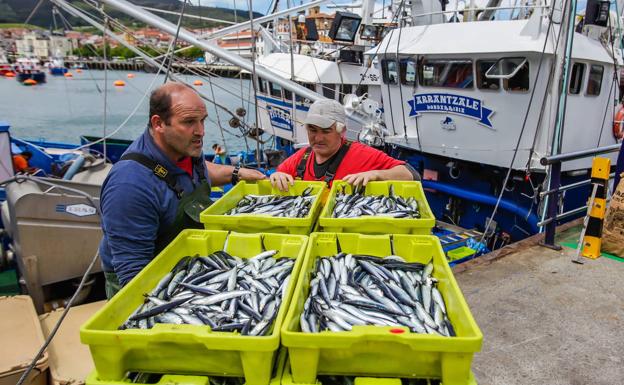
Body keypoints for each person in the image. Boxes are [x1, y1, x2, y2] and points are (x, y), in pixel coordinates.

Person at [99, 82, 265, 298]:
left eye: (202, 121)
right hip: (155, 285)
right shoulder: (129, 186)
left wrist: (237, 173)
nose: (201, 132)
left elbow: (199, 173)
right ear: (158, 123)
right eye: (189, 122)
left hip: (189, 268)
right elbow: (133, 278)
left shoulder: (183, 148)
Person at [270, 99, 419, 191]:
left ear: (342, 131)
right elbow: (277, 176)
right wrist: (277, 176)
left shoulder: (361, 154)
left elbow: (411, 175)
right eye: (312, 130)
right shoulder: (301, 157)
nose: (318, 138)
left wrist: (376, 174)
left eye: (326, 131)